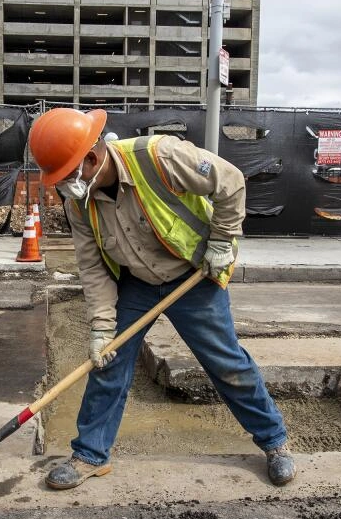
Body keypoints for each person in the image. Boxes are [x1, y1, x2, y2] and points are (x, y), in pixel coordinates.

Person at [28, 107, 294, 490]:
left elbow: (231, 182)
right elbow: (92, 268)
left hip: (192, 276)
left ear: (91, 157)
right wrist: (102, 329)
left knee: (226, 363)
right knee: (108, 362)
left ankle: (274, 442)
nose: (66, 187)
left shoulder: (160, 156)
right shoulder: (78, 204)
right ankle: (90, 454)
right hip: (136, 284)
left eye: (69, 176)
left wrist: (222, 238)